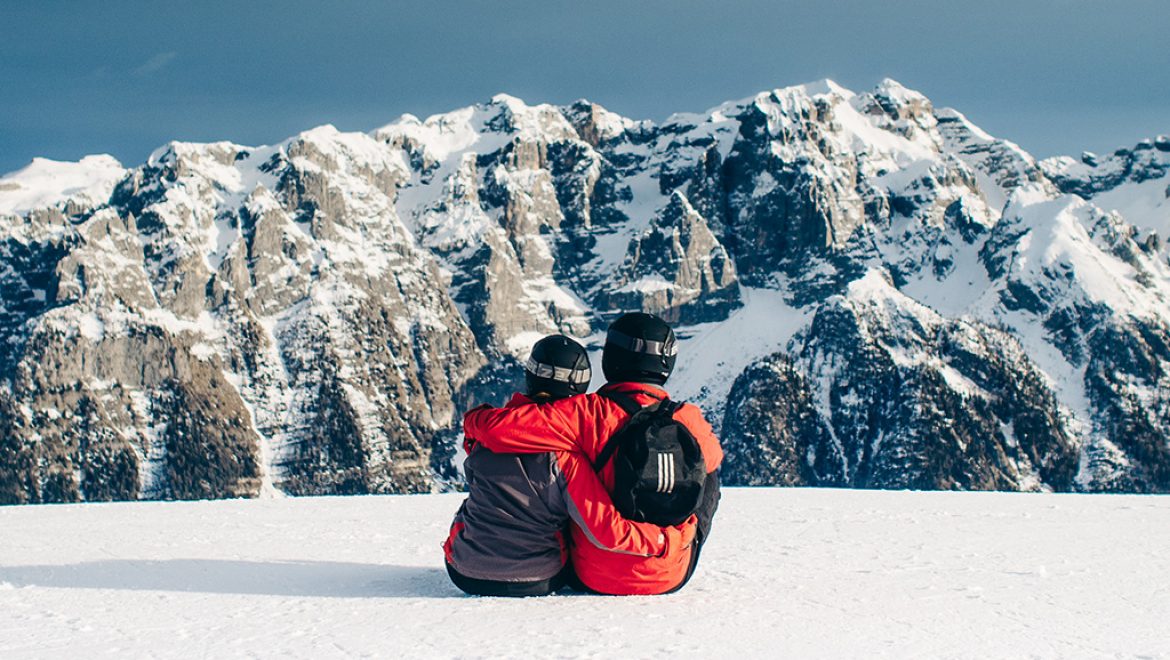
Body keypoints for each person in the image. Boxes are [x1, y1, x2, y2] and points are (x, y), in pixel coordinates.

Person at [463, 313, 723, 595]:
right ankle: (675, 549)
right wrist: (675, 538)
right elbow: (713, 462)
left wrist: (477, 417)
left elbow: (499, 429)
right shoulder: (688, 418)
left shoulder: (585, 413)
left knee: (564, 471)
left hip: (595, 576)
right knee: (709, 475)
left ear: (610, 359)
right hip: (672, 570)